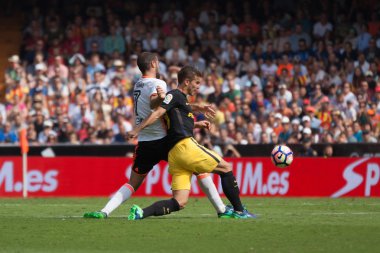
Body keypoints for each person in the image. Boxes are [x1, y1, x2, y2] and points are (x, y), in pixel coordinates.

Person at [84, 53, 229, 219]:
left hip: (146, 142)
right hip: (165, 140)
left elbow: (167, 105)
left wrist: (195, 119)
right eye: (158, 62)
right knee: (198, 169)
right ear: (153, 63)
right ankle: (221, 210)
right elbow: (161, 106)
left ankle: (104, 212)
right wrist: (160, 98)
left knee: (132, 183)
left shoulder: (138, 84)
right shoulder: (158, 82)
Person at [127, 66, 255, 219]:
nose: (198, 86)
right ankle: (240, 211)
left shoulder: (180, 101)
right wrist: (137, 130)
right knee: (226, 168)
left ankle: (141, 213)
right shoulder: (175, 95)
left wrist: (198, 123)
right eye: (197, 82)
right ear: (187, 82)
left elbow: (175, 121)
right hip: (185, 146)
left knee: (179, 202)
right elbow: (158, 113)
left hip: (175, 155)